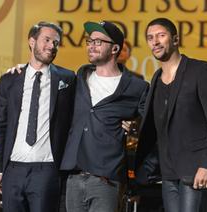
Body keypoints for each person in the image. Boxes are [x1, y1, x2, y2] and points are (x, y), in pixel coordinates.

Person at [135, 18, 207, 212]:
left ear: (175, 39)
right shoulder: (156, 79)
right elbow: (157, 125)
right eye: (150, 38)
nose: (155, 42)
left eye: (161, 35)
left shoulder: (200, 70)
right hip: (168, 172)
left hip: (195, 169)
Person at [60, 21, 148, 212]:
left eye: (98, 42)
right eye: (89, 41)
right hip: (73, 176)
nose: (91, 45)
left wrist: (134, 128)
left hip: (106, 179)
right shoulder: (78, 78)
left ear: (115, 48)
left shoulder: (137, 87)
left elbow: (145, 131)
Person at [0, 21, 76, 212]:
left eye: (56, 43)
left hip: (46, 171)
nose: (52, 46)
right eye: (47, 40)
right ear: (32, 41)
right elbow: (0, 125)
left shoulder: (68, 79)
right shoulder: (10, 79)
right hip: (12, 169)